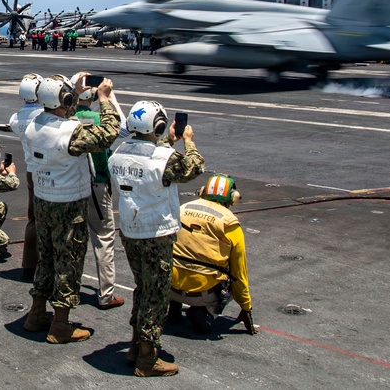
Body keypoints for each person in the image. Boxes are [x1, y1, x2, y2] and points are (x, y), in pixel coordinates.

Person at [109, 100, 205, 377]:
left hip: (131, 229)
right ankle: (148, 358)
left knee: (143, 287)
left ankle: (135, 345)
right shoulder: (164, 158)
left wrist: (168, 142)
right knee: (156, 294)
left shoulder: (119, 152)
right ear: (159, 127)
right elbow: (193, 167)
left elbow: (149, 160)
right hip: (156, 233)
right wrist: (188, 141)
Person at [23, 74, 120, 344]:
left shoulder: (34, 124)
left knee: (47, 259)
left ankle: (36, 313)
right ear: (63, 99)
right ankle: (61, 324)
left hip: (43, 199)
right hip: (68, 205)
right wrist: (104, 99)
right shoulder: (70, 133)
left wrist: (74, 94)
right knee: (69, 263)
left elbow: (64, 115)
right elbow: (108, 133)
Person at [170, 174, 256, 337]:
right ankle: (206, 313)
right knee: (232, 278)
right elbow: (239, 273)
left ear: (202, 192)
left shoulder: (182, 209)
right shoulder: (230, 223)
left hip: (169, 285)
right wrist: (246, 307)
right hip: (202, 294)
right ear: (233, 198)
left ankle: (172, 306)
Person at [71, 74, 125, 311]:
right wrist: (109, 98)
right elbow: (123, 128)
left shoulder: (65, 117)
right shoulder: (98, 117)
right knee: (103, 237)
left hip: (71, 184)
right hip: (97, 182)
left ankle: (68, 287)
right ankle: (106, 294)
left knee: (72, 237)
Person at [8, 73, 43, 281]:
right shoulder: (44, 116)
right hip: (50, 170)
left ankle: (29, 265)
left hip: (31, 169)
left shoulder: (15, 119)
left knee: (33, 219)